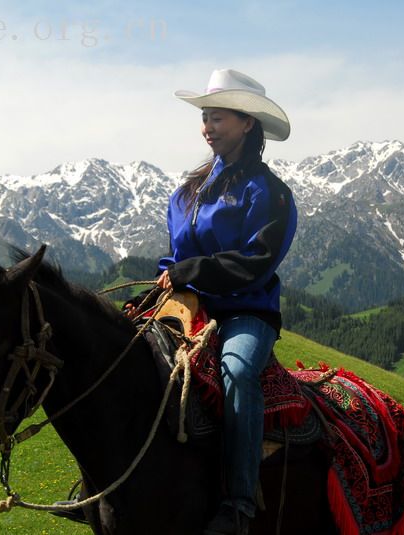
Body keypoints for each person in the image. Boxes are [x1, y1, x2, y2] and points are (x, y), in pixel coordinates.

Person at [158, 68, 297, 535]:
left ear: (247, 124)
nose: (207, 127)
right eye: (205, 118)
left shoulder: (270, 193)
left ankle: (240, 503)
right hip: (188, 303)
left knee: (237, 371)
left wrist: (190, 272)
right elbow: (177, 256)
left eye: (217, 118)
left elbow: (256, 261)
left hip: (246, 310)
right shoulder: (187, 192)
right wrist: (167, 277)